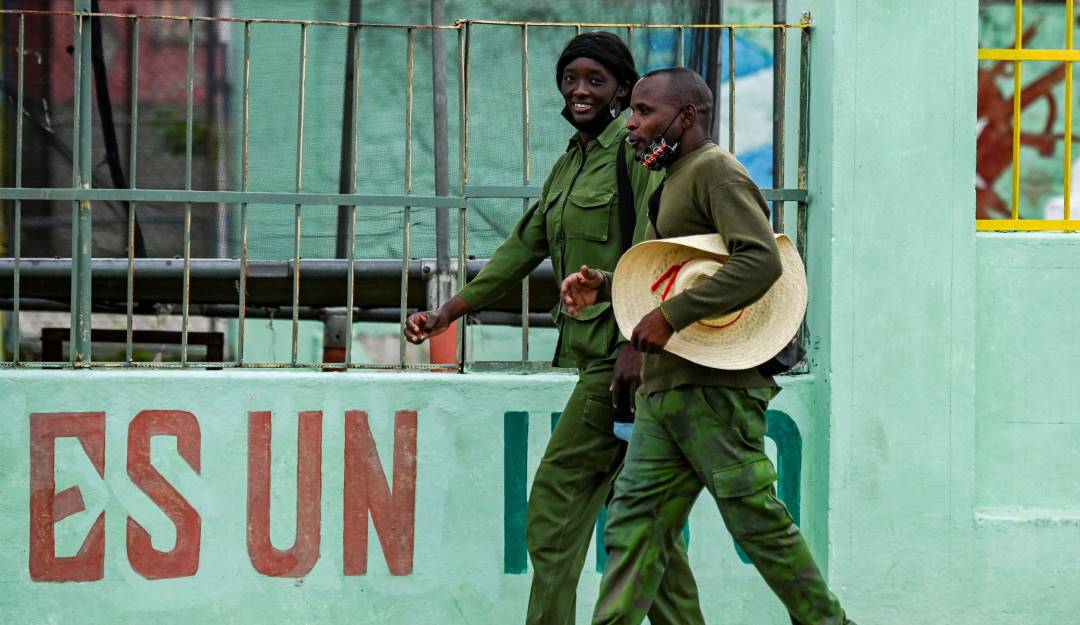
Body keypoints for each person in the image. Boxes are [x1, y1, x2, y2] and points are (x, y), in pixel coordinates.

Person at [403, 33, 704, 625]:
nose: (580, 90)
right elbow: (524, 247)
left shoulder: (635, 151)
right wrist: (449, 311)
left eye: (597, 80)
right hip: (608, 359)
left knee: (554, 508)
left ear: (624, 87)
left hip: (625, 361)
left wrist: (631, 348)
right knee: (640, 518)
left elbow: (660, 249)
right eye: (571, 78)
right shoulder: (573, 159)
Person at [562, 67, 856, 625]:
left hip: (716, 393)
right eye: (634, 112)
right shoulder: (673, 176)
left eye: (645, 112)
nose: (633, 124)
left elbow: (760, 259)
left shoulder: (716, 172)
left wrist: (672, 315)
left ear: (687, 117)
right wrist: (607, 282)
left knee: (756, 522)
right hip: (666, 389)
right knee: (632, 526)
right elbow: (680, 270)